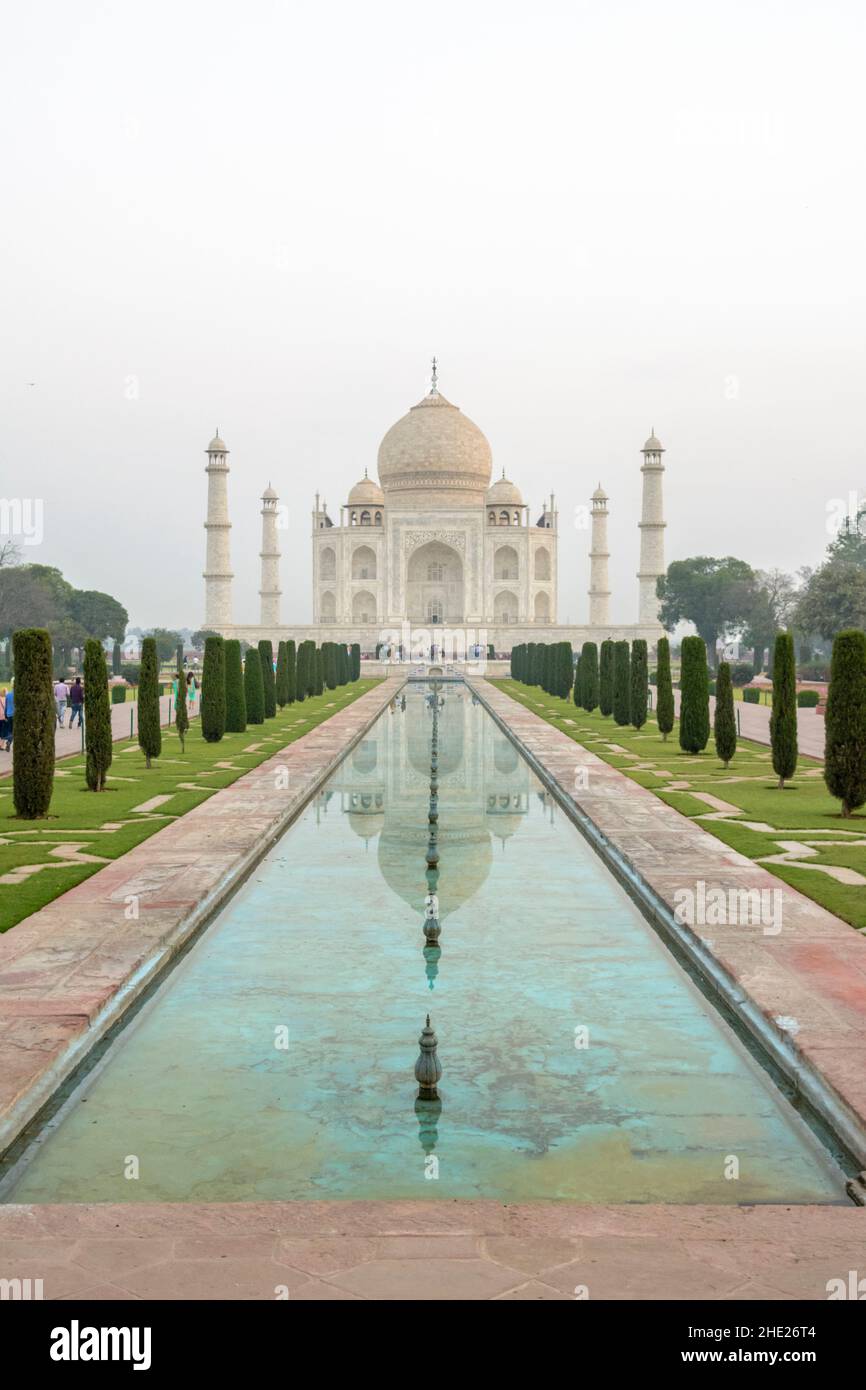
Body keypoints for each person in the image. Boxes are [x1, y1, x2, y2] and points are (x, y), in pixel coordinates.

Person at [3, 685, 13, 750]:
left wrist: (5, 715)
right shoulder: (20, 695)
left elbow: (6, 706)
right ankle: (9, 742)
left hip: (9, 715)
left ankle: (9, 742)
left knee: (10, 731)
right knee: (15, 732)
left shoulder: (8, 695)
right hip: (16, 715)